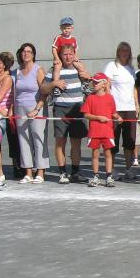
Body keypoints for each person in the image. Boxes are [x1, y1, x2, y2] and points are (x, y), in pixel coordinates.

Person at [41, 44, 90, 184]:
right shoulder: (54, 69)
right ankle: (62, 173)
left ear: (74, 54)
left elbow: (90, 89)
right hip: (60, 108)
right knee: (60, 142)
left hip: (77, 109)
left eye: (70, 54)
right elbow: (43, 89)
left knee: (76, 143)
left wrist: (88, 77)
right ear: (60, 55)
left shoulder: (79, 68)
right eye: (65, 54)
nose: (68, 57)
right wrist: (54, 83)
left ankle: (75, 172)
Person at [14, 43, 49, 184]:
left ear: (33, 55)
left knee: (38, 138)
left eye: (29, 51)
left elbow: (44, 92)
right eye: (23, 51)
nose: (26, 53)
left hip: (36, 108)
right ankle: (28, 172)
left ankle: (40, 171)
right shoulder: (17, 71)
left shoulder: (38, 70)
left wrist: (37, 108)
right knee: (24, 140)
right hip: (20, 108)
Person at [105, 42, 140, 180]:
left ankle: (129, 169)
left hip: (130, 109)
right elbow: (107, 86)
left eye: (127, 50)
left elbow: (134, 88)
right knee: (113, 139)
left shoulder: (131, 68)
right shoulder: (111, 66)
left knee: (130, 141)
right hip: (116, 109)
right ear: (118, 52)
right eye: (122, 50)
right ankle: (112, 169)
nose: (125, 53)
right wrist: (110, 106)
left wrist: (137, 105)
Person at [81, 73, 121, 187]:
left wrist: (118, 117)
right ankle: (95, 176)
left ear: (104, 84)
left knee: (108, 154)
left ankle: (109, 176)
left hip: (107, 131)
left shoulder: (110, 98)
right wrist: (98, 118)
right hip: (94, 131)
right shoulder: (90, 97)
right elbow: (86, 115)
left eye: (96, 82)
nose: (94, 84)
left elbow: (113, 113)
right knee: (95, 154)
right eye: (93, 82)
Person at [50, 16, 87, 82]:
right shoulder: (59, 38)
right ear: (60, 28)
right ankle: (56, 83)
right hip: (61, 59)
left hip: (70, 59)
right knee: (57, 67)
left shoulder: (73, 39)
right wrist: (57, 58)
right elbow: (54, 49)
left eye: (68, 28)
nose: (66, 30)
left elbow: (75, 49)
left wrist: (75, 56)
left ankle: (84, 82)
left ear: (72, 28)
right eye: (64, 28)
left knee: (80, 66)